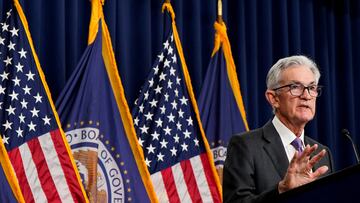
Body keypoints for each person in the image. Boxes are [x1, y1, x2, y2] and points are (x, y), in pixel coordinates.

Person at [223, 55, 334, 203]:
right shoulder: (245, 146)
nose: (306, 95)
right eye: (295, 87)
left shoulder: (322, 154)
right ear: (273, 98)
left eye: (312, 88)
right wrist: (281, 190)